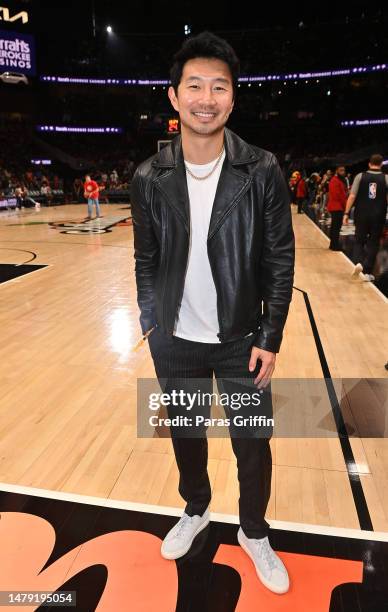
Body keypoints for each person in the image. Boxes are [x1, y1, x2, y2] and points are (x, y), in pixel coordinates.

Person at [131, 32, 295, 595]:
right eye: (194, 85)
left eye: (218, 86)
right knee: (185, 433)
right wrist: (150, 322)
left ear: (232, 97)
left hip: (240, 338)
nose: (206, 97)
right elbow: (145, 257)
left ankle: (254, 531)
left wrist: (269, 334)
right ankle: (196, 508)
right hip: (173, 340)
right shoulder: (149, 177)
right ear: (174, 97)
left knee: (253, 445)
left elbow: (279, 257)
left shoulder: (262, 169)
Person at [344, 154, 388, 281]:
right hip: (378, 215)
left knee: (359, 240)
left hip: (361, 214)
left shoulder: (360, 176)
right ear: (381, 164)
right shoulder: (385, 178)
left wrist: (346, 213)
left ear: (369, 164)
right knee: (373, 242)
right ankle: (367, 271)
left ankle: (358, 263)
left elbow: (352, 196)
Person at [327, 165, 348, 250]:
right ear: (336, 171)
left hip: (335, 206)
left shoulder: (335, 180)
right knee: (336, 227)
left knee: (334, 227)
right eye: (341, 170)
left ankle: (333, 244)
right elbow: (339, 196)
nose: (343, 172)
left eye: (343, 170)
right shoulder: (335, 181)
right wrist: (345, 206)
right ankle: (334, 245)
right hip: (337, 207)